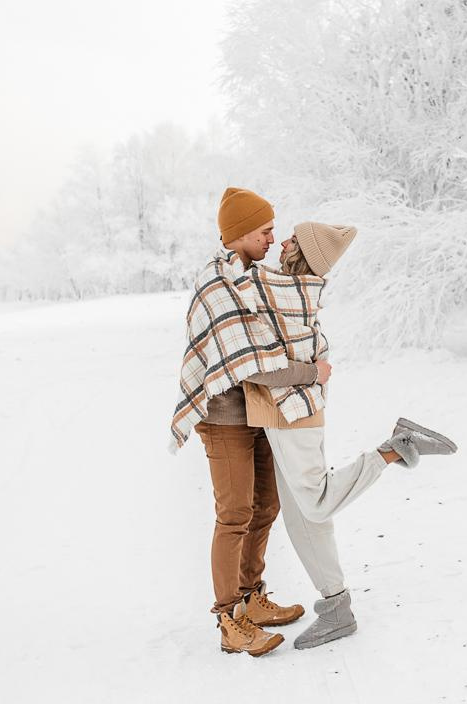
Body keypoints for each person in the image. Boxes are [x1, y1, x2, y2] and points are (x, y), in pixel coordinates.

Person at [241, 221, 458, 649]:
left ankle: (393, 450)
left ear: (300, 253)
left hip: (291, 415)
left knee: (317, 503)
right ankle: (336, 607)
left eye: (291, 239)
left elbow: (238, 280)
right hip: (291, 412)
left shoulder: (282, 287)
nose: (280, 241)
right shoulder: (297, 287)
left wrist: (233, 249)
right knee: (303, 517)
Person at [170, 187, 322, 657]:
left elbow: (278, 332)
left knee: (267, 506)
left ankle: (252, 597)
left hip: (257, 411)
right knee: (234, 514)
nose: (273, 239)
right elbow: (252, 362)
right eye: (265, 231)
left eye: (274, 230)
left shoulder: (255, 278)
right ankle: (229, 618)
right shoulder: (217, 285)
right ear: (238, 235)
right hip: (224, 418)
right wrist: (311, 372)